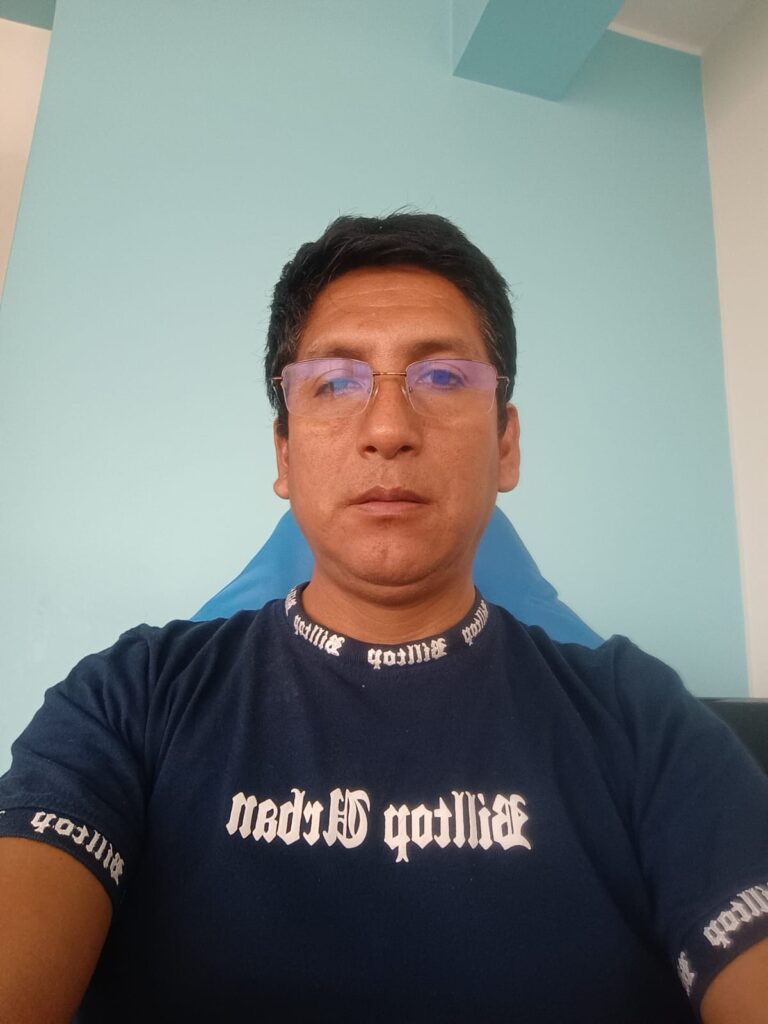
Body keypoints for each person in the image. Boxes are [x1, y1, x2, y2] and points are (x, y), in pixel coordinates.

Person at [1, 213, 767, 1023]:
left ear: (506, 445)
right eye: (335, 383)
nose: (390, 429)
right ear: (284, 455)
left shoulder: (641, 719)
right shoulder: (131, 698)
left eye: (443, 377)